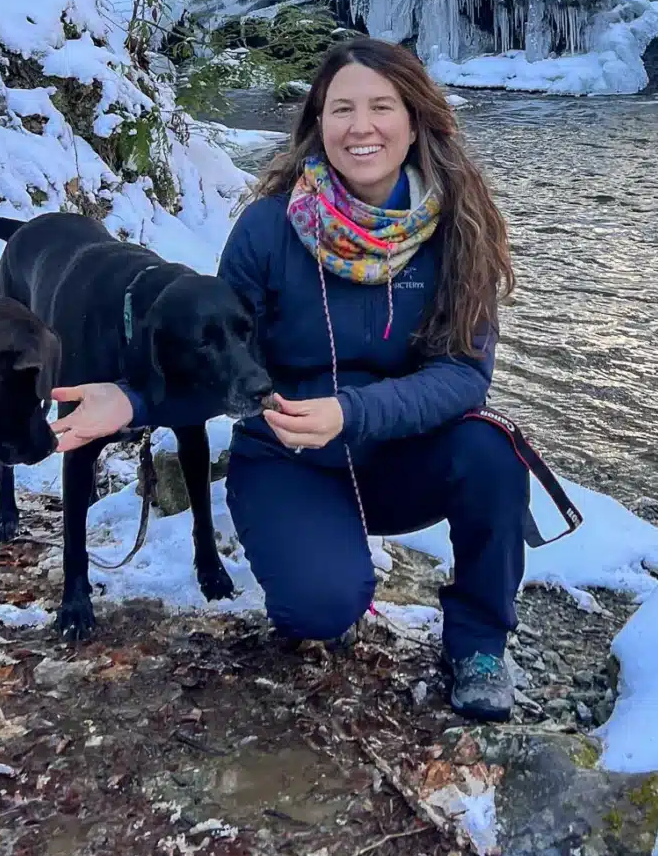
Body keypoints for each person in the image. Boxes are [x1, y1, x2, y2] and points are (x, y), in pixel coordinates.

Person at [50, 38, 529, 720]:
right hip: (288, 458)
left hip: (402, 455)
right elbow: (216, 356)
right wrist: (130, 399)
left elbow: (463, 376)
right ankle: (326, 561)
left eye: (380, 107)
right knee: (319, 609)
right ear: (318, 124)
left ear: (416, 120)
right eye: (342, 109)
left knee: (492, 453)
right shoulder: (268, 230)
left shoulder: (459, 230)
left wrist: (352, 412)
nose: (360, 127)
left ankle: (479, 641)